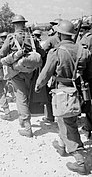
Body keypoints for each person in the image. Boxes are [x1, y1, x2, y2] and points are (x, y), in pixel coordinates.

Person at [35, 20, 92, 175]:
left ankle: (80, 161)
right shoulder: (83, 51)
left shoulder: (57, 52)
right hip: (80, 92)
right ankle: (61, 146)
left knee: (67, 123)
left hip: (62, 91)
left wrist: (39, 85)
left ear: (59, 35)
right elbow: (89, 74)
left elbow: (46, 73)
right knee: (68, 119)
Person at [0, 15, 43, 137]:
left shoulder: (11, 37)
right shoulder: (32, 37)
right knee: (27, 95)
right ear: (24, 24)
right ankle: (22, 119)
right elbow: (41, 53)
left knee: (21, 96)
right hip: (30, 71)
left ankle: (27, 127)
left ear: (14, 24)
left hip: (16, 72)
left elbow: (1, 54)